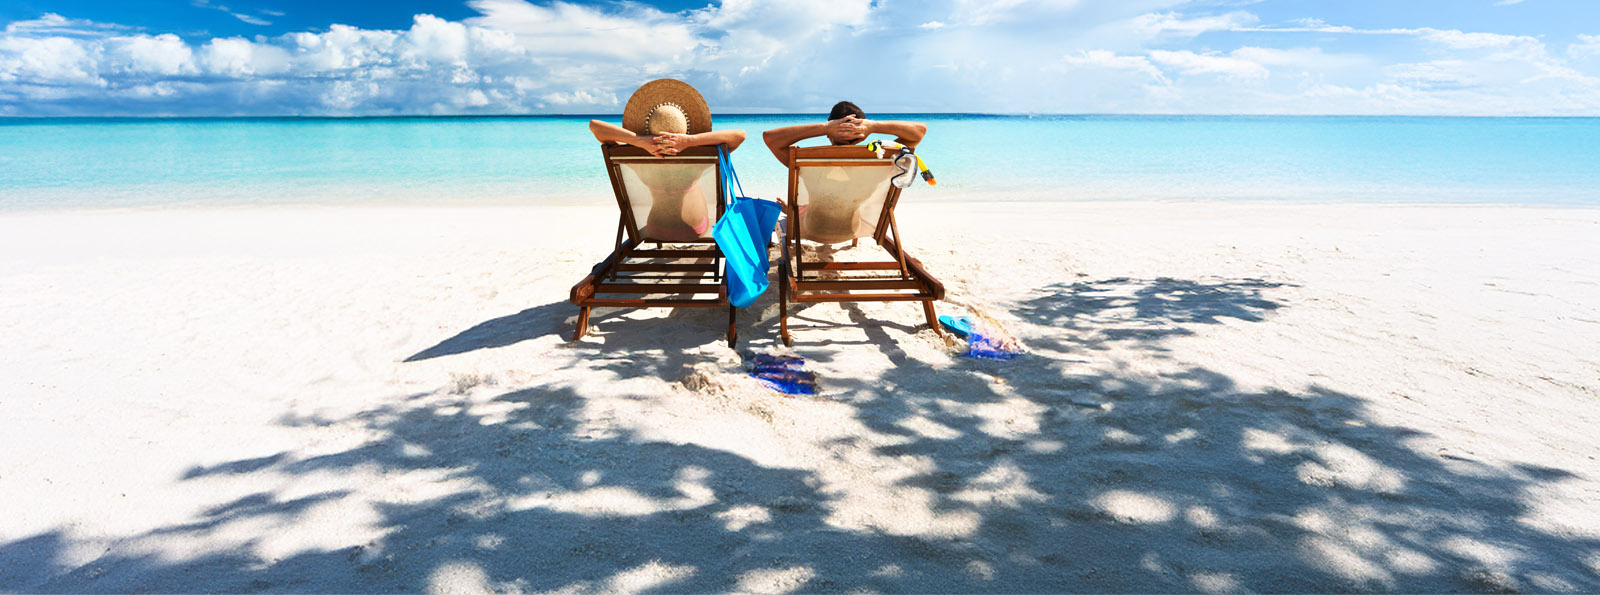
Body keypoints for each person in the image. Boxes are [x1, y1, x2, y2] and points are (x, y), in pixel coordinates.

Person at [587, 79, 745, 241]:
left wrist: (639, 141)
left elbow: (595, 126)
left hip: (655, 228)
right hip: (695, 229)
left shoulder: (636, 158)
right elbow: (740, 135)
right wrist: (689, 141)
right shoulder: (700, 157)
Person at [761, 101, 926, 167]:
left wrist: (825, 127)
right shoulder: (881, 159)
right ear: (865, 135)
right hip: (860, 226)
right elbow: (919, 131)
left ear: (829, 135)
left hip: (813, 227)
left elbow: (770, 138)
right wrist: (873, 126)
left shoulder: (806, 161)